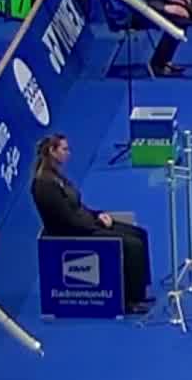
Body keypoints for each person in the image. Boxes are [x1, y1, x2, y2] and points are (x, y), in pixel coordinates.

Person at [29, 134, 155, 314]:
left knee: (139, 233)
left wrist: (98, 214)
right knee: (132, 245)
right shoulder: (44, 185)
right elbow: (66, 219)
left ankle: (140, 291)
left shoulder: (57, 176)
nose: (68, 153)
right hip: (72, 232)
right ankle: (129, 301)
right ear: (52, 151)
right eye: (64, 149)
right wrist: (96, 223)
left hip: (85, 223)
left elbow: (77, 205)